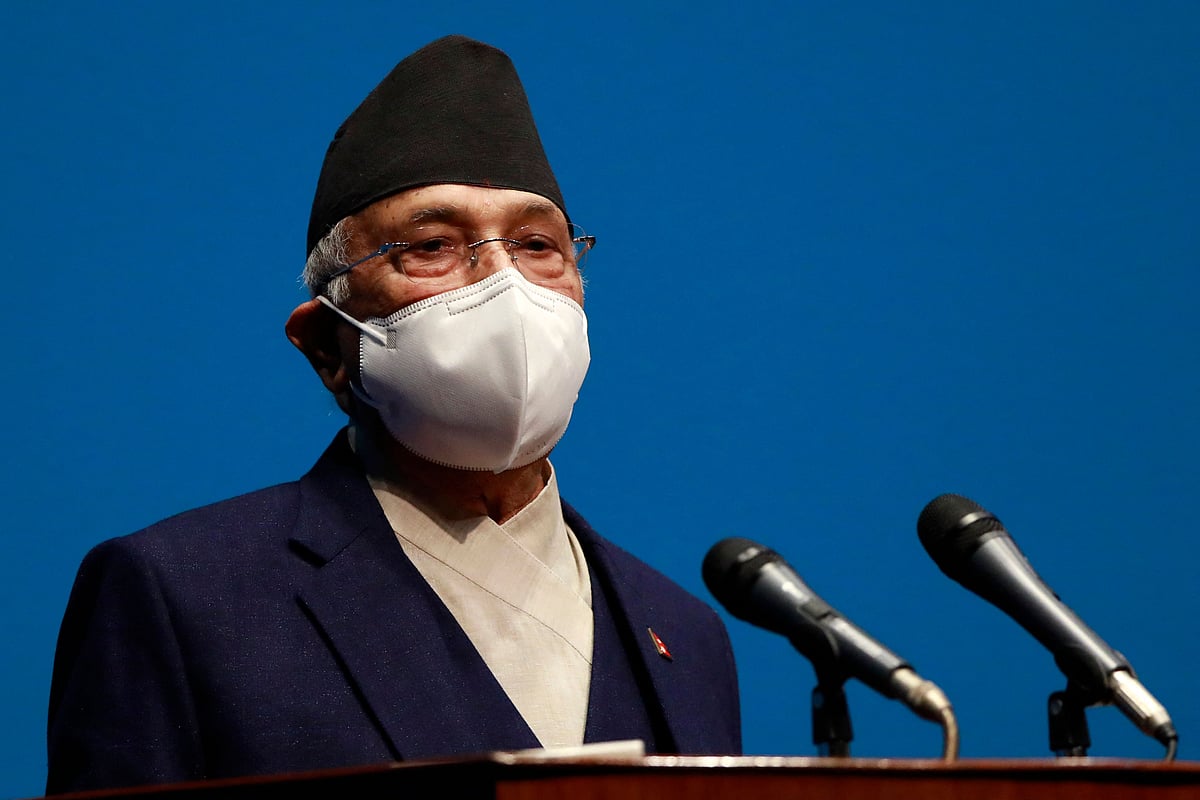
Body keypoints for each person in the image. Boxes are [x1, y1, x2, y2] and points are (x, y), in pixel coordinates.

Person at [45, 35, 741, 794]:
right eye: (432, 245)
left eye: (538, 244)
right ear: (328, 348)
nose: (505, 285)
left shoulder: (685, 633)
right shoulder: (185, 596)